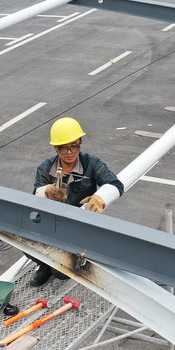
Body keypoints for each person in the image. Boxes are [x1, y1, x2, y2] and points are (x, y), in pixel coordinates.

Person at [30, 117, 124, 286]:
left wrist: (100, 198)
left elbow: (116, 184)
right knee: (24, 237)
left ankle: (55, 266)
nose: (69, 152)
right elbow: (34, 200)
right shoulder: (45, 168)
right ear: (56, 148)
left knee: (60, 273)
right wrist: (45, 191)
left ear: (80, 142)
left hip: (79, 226)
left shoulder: (92, 164)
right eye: (63, 147)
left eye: (74, 146)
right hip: (52, 223)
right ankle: (44, 264)